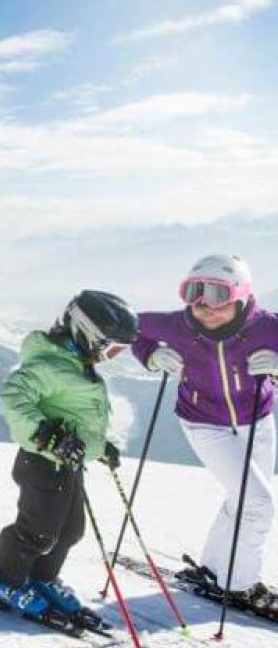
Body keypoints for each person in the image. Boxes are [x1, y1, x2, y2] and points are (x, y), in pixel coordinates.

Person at [131, 254, 278, 608]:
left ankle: (215, 569)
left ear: (242, 295)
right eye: (194, 294)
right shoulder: (177, 326)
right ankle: (240, 585)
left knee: (241, 499)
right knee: (257, 503)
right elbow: (131, 327)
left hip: (257, 420)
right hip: (203, 423)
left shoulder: (267, 328)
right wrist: (150, 355)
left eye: (218, 295)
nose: (205, 307)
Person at [0, 290, 139, 618]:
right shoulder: (51, 365)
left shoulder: (76, 364)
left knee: (70, 531)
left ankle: (41, 578)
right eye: (110, 348)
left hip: (68, 463)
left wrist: (99, 448)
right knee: (36, 530)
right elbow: (13, 395)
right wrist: (46, 435)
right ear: (84, 331)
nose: (110, 357)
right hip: (41, 462)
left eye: (119, 351)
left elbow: (77, 418)